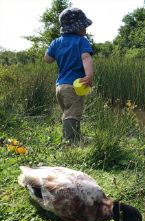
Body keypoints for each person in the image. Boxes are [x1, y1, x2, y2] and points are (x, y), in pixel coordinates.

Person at [44, 7, 94, 144]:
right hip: (74, 85)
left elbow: (47, 59)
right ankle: (71, 141)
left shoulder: (56, 42)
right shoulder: (81, 41)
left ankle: (75, 136)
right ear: (76, 28)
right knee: (73, 113)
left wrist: (57, 52)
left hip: (60, 86)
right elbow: (86, 58)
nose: (86, 29)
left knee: (69, 113)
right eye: (84, 26)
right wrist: (89, 76)